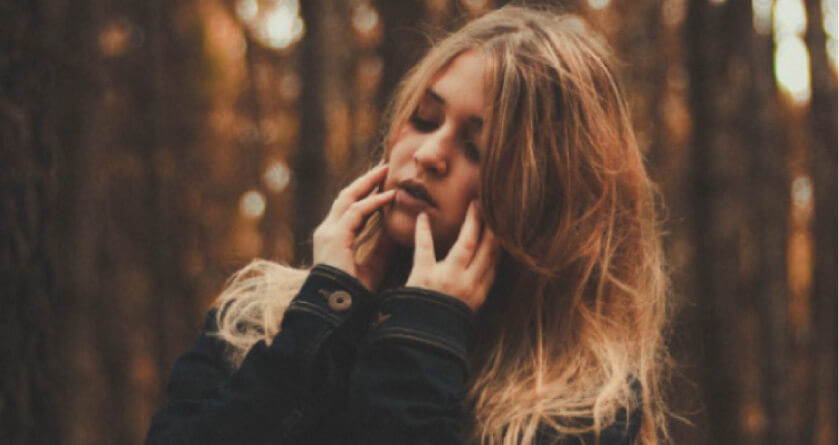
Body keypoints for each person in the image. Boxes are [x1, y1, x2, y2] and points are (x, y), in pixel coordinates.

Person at [145, 4, 673, 445]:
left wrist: (422, 341)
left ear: (543, 204)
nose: (429, 155)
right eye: (424, 118)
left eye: (477, 149)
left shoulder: (579, 414)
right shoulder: (257, 318)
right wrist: (321, 316)